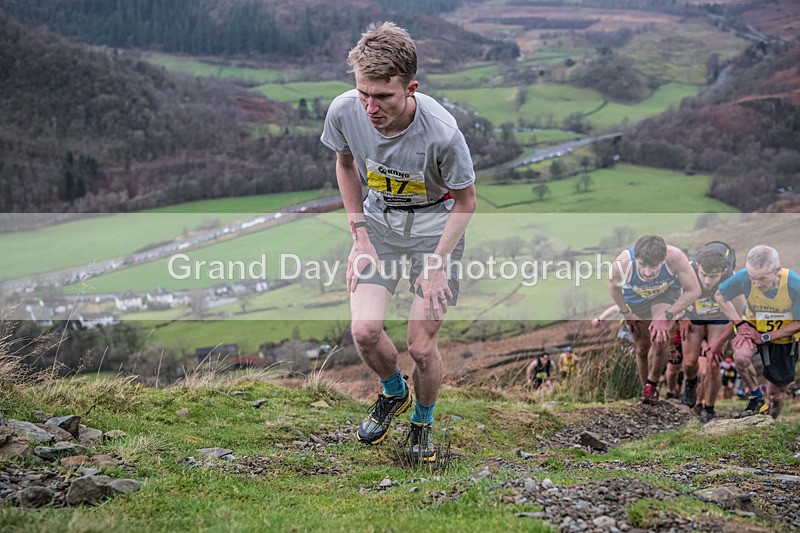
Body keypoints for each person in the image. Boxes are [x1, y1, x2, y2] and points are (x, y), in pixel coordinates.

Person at [320, 22, 477, 462]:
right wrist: (359, 237)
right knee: (365, 332)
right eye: (363, 93)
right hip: (380, 225)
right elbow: (345, 165)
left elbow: (466, 201)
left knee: (421, 346)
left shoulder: (442, 132)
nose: (370, 107)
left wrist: (437, 261)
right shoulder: (345, 110)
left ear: (410, 88)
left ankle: (423, 422)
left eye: (383, 97)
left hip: (435, 230)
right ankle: (394, 393)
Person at [608, 235, 701, 406]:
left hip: (666, 295)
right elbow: (613, 287)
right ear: (636, 257)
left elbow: (694, 291)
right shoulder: (622, 263)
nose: (647, 272)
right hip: (636, 299)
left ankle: (652, 383)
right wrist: (626, 313)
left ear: (663, 260)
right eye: (642, 265)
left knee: (660, 338)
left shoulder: (675, 257)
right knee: (643, 347)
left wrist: (667, 316)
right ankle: (646, 388)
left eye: (654, 266)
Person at [714, 245, 800, 419]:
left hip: (783, 340)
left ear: (776, 271)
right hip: (752, 330)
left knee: (776, 396)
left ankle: (770, 423)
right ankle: (756, 396)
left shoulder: (794, 284)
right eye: (752, 278)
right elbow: (719, 296)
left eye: (761, 278)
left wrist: (766, 337)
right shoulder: (745, 277)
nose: (755, 284)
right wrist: (740, 324)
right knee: (740, 357)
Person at [678, 242, 744, 422]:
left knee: (714, 361)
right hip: (693, 313)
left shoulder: (733, 281)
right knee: (690, 362)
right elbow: (674, 295)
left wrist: (721, 342)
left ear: (723, 272)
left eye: (713, 277)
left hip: (720, 316)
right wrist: (681, 316)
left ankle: (709, 408)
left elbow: (738, 317)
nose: (707, 281)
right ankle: (691, 383)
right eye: (704, 275)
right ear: (697, 267)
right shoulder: (688, 271)